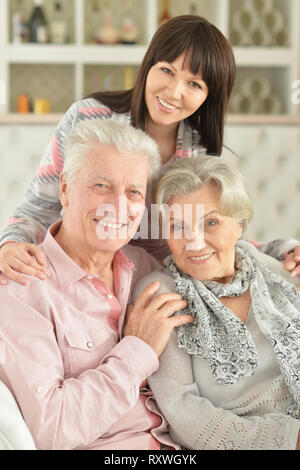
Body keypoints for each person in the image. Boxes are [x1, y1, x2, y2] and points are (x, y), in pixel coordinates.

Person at [0, 15, 299, 283]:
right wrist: (10, 245)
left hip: (153, 280)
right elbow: (37, 210)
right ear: (148, 66)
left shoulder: (199, 150)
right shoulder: (89, 117)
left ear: (209, 96)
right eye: (167, 70)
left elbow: (214, 235)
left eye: (194, 84)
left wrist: (281, 251)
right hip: (79, 271)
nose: (173, 92)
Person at [0, 119, 195, 450]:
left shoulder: (148, 268)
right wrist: (137, 348)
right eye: (101, 186)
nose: (119, 206)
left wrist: (282, 253)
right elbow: (52, 430)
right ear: (64, 189)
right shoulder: (21, 288)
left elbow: (218, 252)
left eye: (133, 191)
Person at [132, 157, 300, 450]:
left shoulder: (275, 270)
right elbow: (181, 410)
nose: (194, 242)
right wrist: (289, 440)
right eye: (177, 226)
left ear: (240, 224)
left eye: (210, 222)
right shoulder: (162, 293)